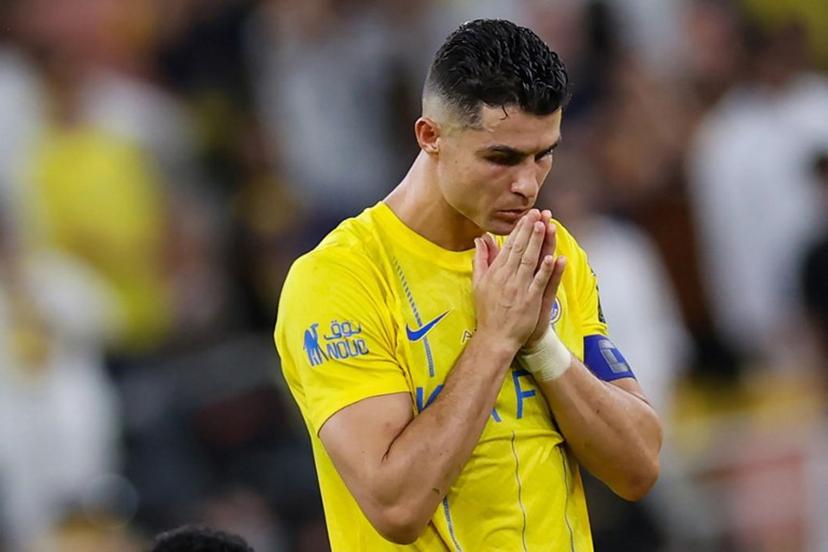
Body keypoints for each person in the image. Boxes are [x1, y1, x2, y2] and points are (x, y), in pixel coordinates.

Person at [275, 19, 661, 551]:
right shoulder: (338, 280)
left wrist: (541, 345)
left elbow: (639, 466)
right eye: (501, 158)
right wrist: (496, 339)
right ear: (430, 136)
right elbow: (397, 505)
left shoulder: (548, 249)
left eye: (543, 154)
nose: (526, 184)